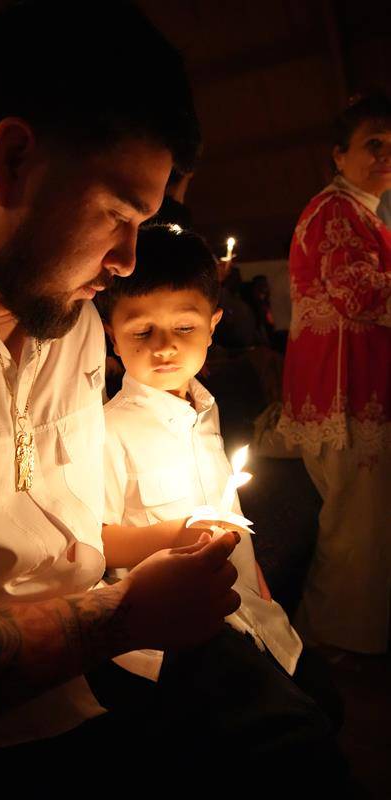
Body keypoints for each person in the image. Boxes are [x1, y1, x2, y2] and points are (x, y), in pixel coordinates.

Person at [0, 2, 349, 793]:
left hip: (113, 661)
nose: (125, 261)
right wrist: (125, 615)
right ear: (15, 159)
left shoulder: (73, 321)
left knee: (305, 736)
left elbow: (66, 532)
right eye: (119, 215)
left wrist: (168, 533)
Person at [96, 224, 302, 683]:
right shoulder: (109, 430)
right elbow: (98, 541)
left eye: (184, 327)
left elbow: (233, 514)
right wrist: (180, 532)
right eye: (141, 330)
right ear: (112, 336)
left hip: (252, 613)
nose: (164, 345)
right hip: (175, 636)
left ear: (213, 326)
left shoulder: (205, 410)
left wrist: (262, 593)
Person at [278, 92, 391, 656]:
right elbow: (358, 294)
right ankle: (333, 645)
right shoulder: (337, 210)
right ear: (338, 155)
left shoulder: (362, 212)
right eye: (373, 144)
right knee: (357, 530)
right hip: (341, 395)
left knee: (364, 525)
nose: (385, 156)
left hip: (355, 390)